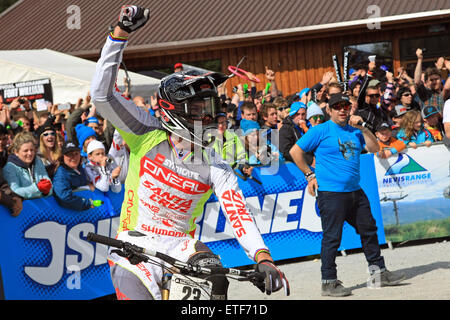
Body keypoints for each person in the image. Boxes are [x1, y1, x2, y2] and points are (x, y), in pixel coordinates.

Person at [90, 6, 289, 301]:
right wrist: (119, 34)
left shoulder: (213, 161)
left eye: (210, 108)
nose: (208, 117)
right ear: (176, 111)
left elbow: (237, 212)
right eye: (198, 110)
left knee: (216, 275)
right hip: (134, 243)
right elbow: (102, 96)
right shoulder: (146, 132)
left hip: (182, 246)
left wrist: (263, 257)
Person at [289, 93, 405, 297]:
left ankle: (379, 274)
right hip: (331, 193)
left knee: (369, 230)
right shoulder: (321, 130)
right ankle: (329, 282)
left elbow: (374, 148)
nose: (342, 109)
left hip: (355, 191)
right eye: (337, 106)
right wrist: (309, 175)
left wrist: (362, 128)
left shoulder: (355, 132)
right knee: (332, 238)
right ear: (329, 110)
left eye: (345, 106)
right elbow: (295, 152)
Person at [52, 141, 101, 211]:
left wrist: (88, 184)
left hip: (86, 214)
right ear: (63, 156)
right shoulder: (61, 174)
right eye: (69, 154)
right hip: (69, 215)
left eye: (76, 153)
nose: (74, 157)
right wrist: (87, 203)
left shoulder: (80, 168)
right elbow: (64, 196)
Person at [3, 131, 53, 199]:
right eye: (25, 151)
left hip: (41, 205)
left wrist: (46, 191)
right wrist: (37, 188)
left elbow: (49, 185)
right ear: (16, 152)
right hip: (23, 207)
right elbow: (14, 191)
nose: (30, 153)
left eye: (32, 150)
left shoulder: (37, 161)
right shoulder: (10, 168)